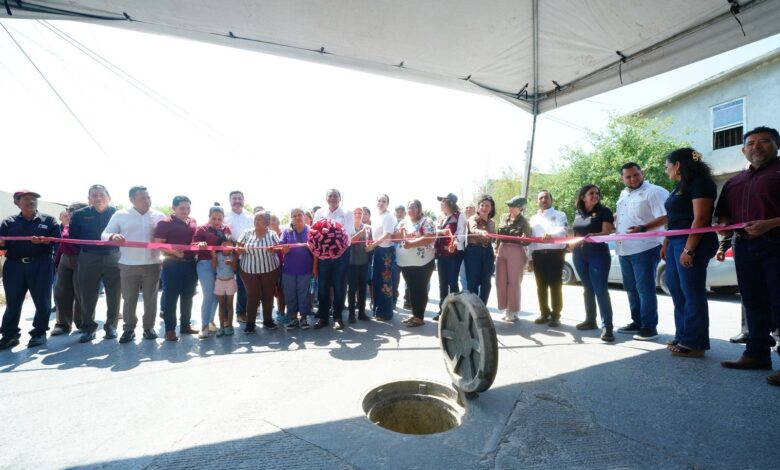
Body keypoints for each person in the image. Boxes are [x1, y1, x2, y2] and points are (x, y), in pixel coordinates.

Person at [716, 126, 780, 385]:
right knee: (753, 302)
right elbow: (724, 215)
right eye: (751, 143)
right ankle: (756, 354)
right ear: (744, 150)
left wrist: (770, 224)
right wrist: (723, 227)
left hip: (776, 244)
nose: (756, 146)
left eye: (764, 141)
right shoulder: (734, 181)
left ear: (776, 145)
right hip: (744, 247)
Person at [661, 148, 718, 357]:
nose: (666, 170)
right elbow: (674, 218)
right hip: (676, 241)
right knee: (677, 291)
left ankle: (695, 343)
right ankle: (683, 335)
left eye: (667, 166)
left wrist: (689, 249)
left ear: (677, 165)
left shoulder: (701, 183)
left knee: (692, 293)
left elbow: (701, 219)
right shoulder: (680, 186)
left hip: (693, 242)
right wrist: (666, 241)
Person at [101, 186, 166, 343]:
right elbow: (104, 234)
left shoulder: (159, 216)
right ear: (132, 200)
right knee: (129, 298)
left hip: (152, 264)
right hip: (128, 264)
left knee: (151, 299)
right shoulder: (121, 215)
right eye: (142, 198)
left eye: (148, 197)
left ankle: (148, 328)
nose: (147, 201)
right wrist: (113, 236)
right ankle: (129, 329)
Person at [614, 163, 669, 341]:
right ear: (622, 178)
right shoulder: (624, 194)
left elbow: (666, 216)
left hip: (645, 247)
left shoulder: (654, 192)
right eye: (628, 176)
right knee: (631, 288)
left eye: (636, 175)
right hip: (624, 248)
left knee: (645, 289)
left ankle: (649, 327)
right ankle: (637, 322)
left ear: (642, 173)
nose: (633, 179)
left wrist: (643, 227)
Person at [0, 190, 60, 349]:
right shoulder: (8, 222)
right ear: (17, 202)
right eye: (26, 199)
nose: (31, 201)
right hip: (14, 266)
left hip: (41, 265)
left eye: (34, 199)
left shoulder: (49, 220)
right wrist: (1, 244)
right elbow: (2, 247)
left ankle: (39, 333)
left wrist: (45, 241)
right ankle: (10, 335)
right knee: (13, 302)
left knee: (42, 301)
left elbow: (57, 242)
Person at [70, 184, 121, 343]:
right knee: (87, 294)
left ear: (109, 198)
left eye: (102, 195)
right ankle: (88, 328)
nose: (98, 198)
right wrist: (87, 250)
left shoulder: (117, 213)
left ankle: (111, 326)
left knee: (114, 293)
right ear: (89, 198)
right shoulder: (79, 214)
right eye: (94, 195)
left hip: (113, 256)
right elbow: (73, 237)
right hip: (89, 257)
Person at [569, 186, 615, 341]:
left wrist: (592, 235)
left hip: (598, 253)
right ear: (583, 197)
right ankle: (590, 320)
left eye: (597, 193)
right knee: (587, 289)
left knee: (600, 289)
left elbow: (606, 232)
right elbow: (576, 232)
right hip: (579, 254)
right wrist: (571, 242)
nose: (595, 195)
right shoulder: (578, 212)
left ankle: (607, 327)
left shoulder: (604, 211)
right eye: (591, 193)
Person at [153, 195, 199, 341]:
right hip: (172, 265)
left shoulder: (193, 221)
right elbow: (157, 244)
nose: (186, 211)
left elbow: (196, 241)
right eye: (182, 208)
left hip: (191, 264)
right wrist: (173, 252)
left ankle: (185, 325)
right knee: (171, 297)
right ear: (173, 208)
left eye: (188, 208)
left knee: (188, 296)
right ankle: (170, 330)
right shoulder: (164, 223)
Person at [312, 189, 354, 330]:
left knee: (339, 286)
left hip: (341, 254)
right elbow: (315, 231)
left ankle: (337, 317)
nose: (332, 198)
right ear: (326, 199)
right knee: (323, 286)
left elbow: (345, 233)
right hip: (323, 254)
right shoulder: (319, 213)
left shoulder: (347, 213)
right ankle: (323, 317)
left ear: (340, 198)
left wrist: (327, 235)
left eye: (335, 196)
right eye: (330, 196)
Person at [528, 190, 568, 327]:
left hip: (555, 254)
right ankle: (544, 313)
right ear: (537, 201)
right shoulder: (533, 218)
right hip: (538, 255)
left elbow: (563, 230)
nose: (543, 200)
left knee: (555, 285)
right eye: (540, 198)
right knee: (541, 286)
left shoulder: (560, 215)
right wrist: (530, 258)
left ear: (552, 200)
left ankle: (556, 315)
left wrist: (550, 234)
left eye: (546, 197)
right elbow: (531, 239)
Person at [237, 211, 281, 332]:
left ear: (266, 221)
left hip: (270, 270)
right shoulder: (246, 233)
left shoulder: (272, 234)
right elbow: (238, 247)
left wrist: (274, 250)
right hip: (249, 271)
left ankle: (268, 321)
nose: (256, 221)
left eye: (260, 218)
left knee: (268, 295)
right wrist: (240, 250)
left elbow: (278, 249)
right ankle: (250, 323)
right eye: (255, 218)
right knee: (252, 296)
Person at [395, 200, 437, 327]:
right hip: (405, 263)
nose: (411, 210)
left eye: (414, 207)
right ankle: (415, 314)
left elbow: (430, 237)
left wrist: (412, 244)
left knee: (420, 288)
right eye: (409, 208)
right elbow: (395, 237)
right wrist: (399, 233)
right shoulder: (403, 222)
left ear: (419, 209)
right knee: (412, 289)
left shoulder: (426, 221)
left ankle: (419, 317)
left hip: (423, 263)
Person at [193, 203, 231, 339]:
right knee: (208, 295)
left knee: (217, 295)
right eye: (213, 218)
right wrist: (199, 244)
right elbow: (192, 244)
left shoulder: (226, 229)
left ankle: (210, 321)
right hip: (205, 264)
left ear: (223, 218)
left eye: (219, 219)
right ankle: (203, 326)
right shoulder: (201, 229)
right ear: (209, 217)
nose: (216, 221)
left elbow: (230, 245)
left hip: (221, 265)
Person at [51, 202, 87, 335]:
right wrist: (56, 263)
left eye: (72, 210)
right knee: (61, 292)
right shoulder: (67, 226)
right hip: (65, 260)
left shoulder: (87, 226)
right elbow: (62, 245)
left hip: (82, 259)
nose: (69, 213)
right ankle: (62, 324)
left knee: (81, 293)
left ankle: (83, 323)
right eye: (68, 210)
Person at [494, 196, 531, 323]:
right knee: (500, 281)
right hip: (502, 249)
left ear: (520, 208)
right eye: (509, 205)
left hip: (516, 250)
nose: (510, 208)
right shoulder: (504, 217)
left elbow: (528, 241)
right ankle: (505, 308)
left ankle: (513, 311)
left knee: (514, 282)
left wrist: (524, 238)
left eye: (513, 206)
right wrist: (496, 248)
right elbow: (498, 234)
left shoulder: (524, 222)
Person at [279, 208, 316, 330]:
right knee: (290, 295)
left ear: (304, 216)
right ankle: (293, 319)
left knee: (304, 294)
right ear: (291, 218)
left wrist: (315, 268)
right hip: (289, 270)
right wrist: (284, 250)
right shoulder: (287, 231)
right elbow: (281, 247)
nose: (297, 217)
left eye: (299, 215)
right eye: (294, 216)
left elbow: (316, 252)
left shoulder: (311, 231)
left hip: (306, 270)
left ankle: (304, 318)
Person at [433, 193, 467, 321]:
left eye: (443, 202)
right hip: (441, 254)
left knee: (452, 282)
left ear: (450, 203)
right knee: (442, 283)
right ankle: (442, 310)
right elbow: (436, 232)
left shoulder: (460, 216)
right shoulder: (442, 217)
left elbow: (461, 234)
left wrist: (455, 243)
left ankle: (455, 311)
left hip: (454, 254)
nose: (441, 204)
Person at [224, 190, 253, 323]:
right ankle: (225, 316)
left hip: (246, 256)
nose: (237, 201)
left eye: (239, 198)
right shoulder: (224, 216)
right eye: (234, 198)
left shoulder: (250, 217)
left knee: (243, 286)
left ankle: (241, 313)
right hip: (228, 256)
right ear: (230, 201)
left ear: (243, 200)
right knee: (226, 285)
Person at [366, 194, 396, 320]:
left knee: (385, 283)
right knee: (377, 281)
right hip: (378, 250)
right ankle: (378, 311)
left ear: (387, 204)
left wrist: (372, 245)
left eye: (384, 201)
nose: (381, 203)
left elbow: (386, 234)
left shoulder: (388, 216)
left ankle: (386, 312)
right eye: (379, 201)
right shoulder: (377, 216)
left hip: (385, 251)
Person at [465, 195, 497, 305]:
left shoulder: (492, 223)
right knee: (473, 283)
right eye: (482, 205)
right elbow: (473, 229)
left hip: (488, 252)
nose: (484, 208)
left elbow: (494, 238)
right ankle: (472, 309)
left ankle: (482, 308)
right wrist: (481, 232)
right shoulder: (473, 218)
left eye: (487, 206)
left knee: (486, 283)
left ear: (491, 208)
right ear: (478, 207)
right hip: (473, 252)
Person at [348, 207, 372, 322]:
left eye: (360, 212)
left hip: (364, 262)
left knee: (363, 289)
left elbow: (370, 242)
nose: (358, 214)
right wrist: (361, 232)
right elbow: (350, 242)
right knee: (352, 289)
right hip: (351, 263)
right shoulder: (348, 227)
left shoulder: (368, 228)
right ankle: (351, 314)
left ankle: (362, 313)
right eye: (355, 212)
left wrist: (370, 246)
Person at [212, 239, 237, 336]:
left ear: (232, 248)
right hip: (219, 282)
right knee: (221, 305)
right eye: (224, 245)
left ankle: (230, 326)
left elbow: (235, 268)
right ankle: (221, 327)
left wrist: (231, 263)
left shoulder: (234, 256)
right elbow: (213, 267)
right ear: (221, 246)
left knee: (230, 305)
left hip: (230, 281)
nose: (226, 247)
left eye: (229, 245)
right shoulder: (217, 255)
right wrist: (213, 257)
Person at [391, 204, 409, 309]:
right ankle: (393, 301)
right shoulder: (392, 223)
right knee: (394, 281)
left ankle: (408, 301)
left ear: (405, 213)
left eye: (402, 211)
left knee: (409, 281)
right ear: (395, 213)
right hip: (395, 258)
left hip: (407, 256)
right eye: (397, 211)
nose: (399, 213)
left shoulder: (409, 223)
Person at [459, 202, 476, 290]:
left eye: (471, 207)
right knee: (463, 275)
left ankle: (474, 295)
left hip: (474, 252)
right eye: (466, 207)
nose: (468, 209)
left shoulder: (477, 222)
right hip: (462, 251)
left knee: (474, 275)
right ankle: (465, 293)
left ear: (475, 210)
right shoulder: (461, 222)